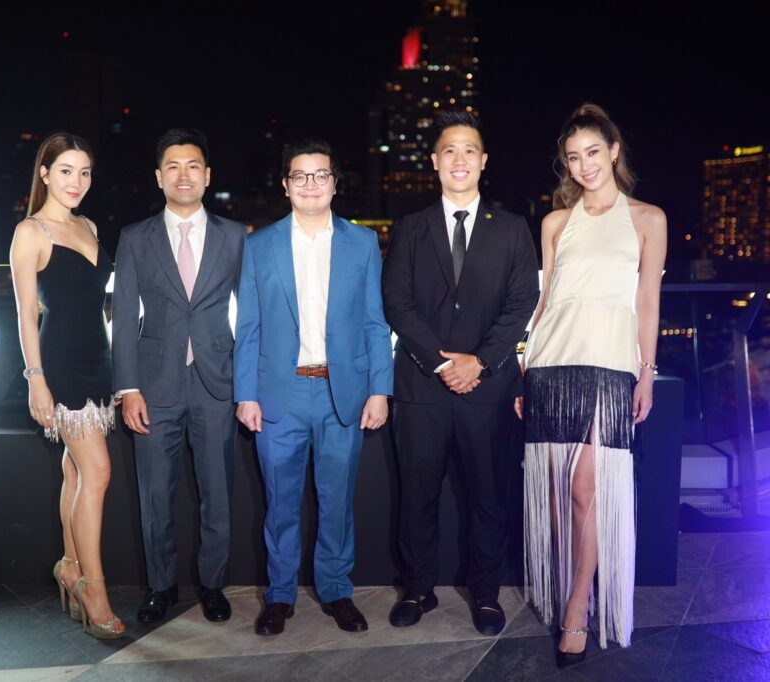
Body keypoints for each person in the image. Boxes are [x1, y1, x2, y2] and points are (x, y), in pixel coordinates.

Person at [519, 104, 666, 666]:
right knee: (561, 494)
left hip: (609, 364)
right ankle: (573, 589)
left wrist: (646, 371)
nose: (585, 165)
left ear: (614, 151)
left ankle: (577, 606)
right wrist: (523, 364)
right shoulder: (556, 223)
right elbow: (545, 301)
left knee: (587, 489)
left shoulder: (648, 218)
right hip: (551, 362)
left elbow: (647, 301)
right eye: (574, 157)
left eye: (593, 153)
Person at [382, 112, 539, 636]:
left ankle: (487, 595)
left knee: (488, 497)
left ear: (483, 161)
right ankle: (418, 588)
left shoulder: (511, 228)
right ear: (434, 161)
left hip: (487, 388)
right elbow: (397, 303)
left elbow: (521, 302)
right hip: (422, 387)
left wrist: (482, 361)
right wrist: (444, 362)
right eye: (449, 150)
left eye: (469, 150)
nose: (459, 159)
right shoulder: (410, 227)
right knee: (416, 496)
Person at [234, 138, 393, 636]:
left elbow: (375, 322)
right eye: (300, 176)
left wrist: (380, 389)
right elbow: (248, 326)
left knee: (336, 502)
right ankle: (279, 596)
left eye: (320, 175)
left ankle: (337, 590)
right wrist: (245, 394)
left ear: (334, 183)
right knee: (279, 503)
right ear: (286, 186)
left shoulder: (361, 243)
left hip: (341, 394)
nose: (310, 184)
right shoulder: (258, 245)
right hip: (277, 394)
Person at [112, 128, 246, 624]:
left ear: (207, 176)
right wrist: (128, 388)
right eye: (173, 166)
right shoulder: (135, 238)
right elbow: (123, 317)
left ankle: (213, 586)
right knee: (155, 496)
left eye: (192, 166)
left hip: (217, 383)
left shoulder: (236, 236)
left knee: (218, 495)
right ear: (159, 177)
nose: (183, 174)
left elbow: (251, 317)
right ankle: (160, 586)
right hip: (153, 386)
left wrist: (247, 385)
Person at [10, 131, 125, 639]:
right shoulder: (30, 232)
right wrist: (36, 380)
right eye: (65, 171)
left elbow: (94, 303)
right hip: (60, 365)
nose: (76, 181)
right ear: (45, 173)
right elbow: (25, 315)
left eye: (84, 172)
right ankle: (93, 589)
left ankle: (70, 567)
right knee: (97, 471)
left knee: (76, 472)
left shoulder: (88, 225)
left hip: (98, 360)